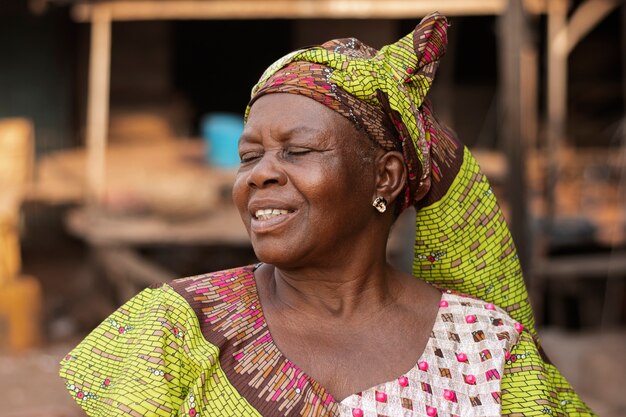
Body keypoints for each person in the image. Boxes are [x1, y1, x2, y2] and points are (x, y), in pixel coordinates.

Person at [60, 12, 595, 416]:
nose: (259, 175)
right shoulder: (175, 329)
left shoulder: (485, 351)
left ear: (383, 177)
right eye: (249, 157)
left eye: (298, 151)